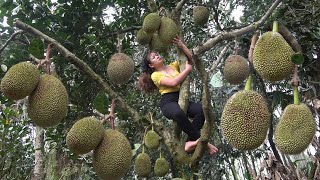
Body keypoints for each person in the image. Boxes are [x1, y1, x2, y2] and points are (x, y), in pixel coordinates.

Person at [138, 36, 218, 155]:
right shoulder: (155, 75)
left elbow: (191, 59)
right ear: (151, 65)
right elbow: (174, 82)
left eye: (157, 54)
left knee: (202, 110)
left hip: (180, 97)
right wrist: (187, 71)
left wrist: (182, 45)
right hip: (168, 102)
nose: (158, 56)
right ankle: (204, 143)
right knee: (178, 113)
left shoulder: (173, 65)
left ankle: (190, 142)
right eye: (154, 57)